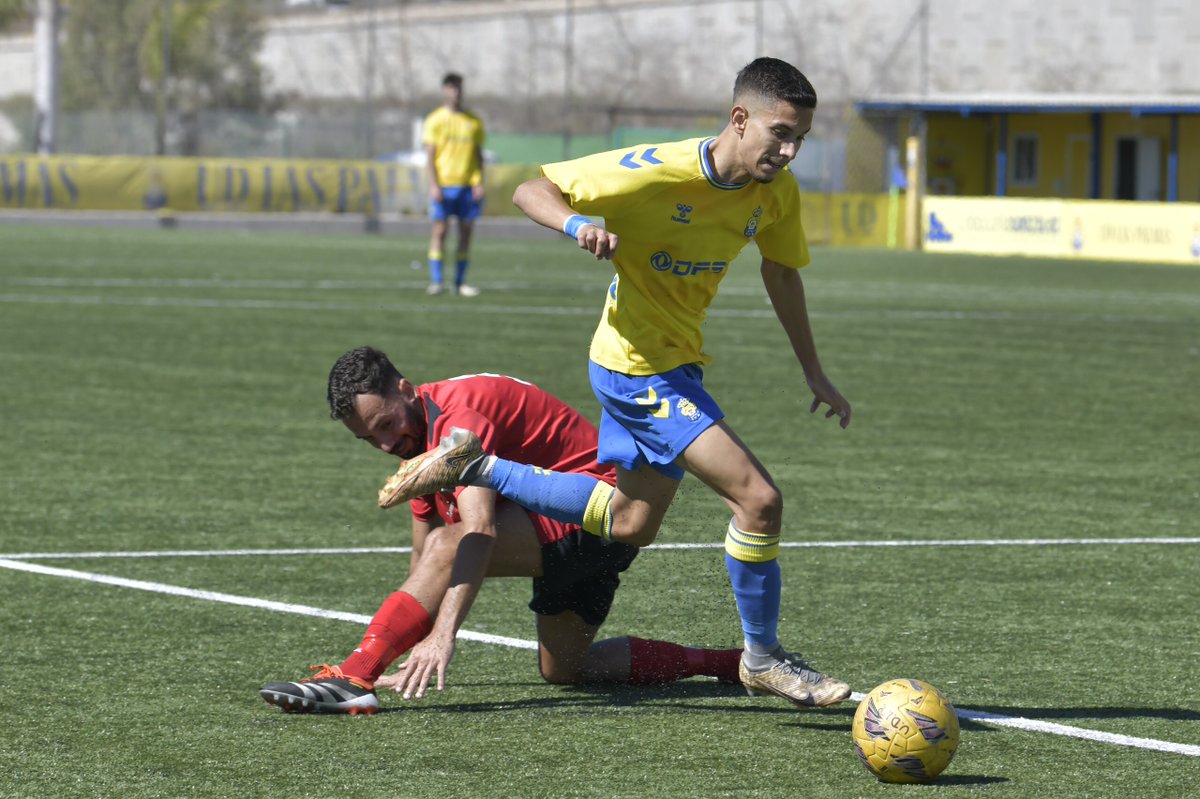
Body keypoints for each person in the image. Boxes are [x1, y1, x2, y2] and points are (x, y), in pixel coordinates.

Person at [378, 58, 853, 709]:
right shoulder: (658, 169)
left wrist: (814, 370)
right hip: (633, 366)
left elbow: (783, 272)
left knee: (629, 522)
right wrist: (578, 225)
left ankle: (479, 466)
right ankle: (764, 658)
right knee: (758, 500)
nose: (789, 149)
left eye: (799, 137)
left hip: (675, 362)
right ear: (739, 119)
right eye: (779, 132)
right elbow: (529, 191)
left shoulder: (776, 192)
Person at [259, 346, 741, 715]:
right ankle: (731, 665)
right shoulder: (416, 437)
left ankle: (352, 679)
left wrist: (441, 636)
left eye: (385, 423)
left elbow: (479, 531)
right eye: (369, 438)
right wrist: (399, 649)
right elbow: (425, 556)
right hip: (564, 534)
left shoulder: (456, 423)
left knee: (458, 536)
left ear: (406, 389)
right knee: (567, 670)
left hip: (597, 511)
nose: (385, 443)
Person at [421, 72, 486, 297]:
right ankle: (437, 282)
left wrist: (479, 182)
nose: (456, 92)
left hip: (468, 186)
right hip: (444, 185)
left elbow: (479, 156)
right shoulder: (435, 120)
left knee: (466, 233)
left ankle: (459, 283)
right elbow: (430, 156)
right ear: (444, 90)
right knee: (440, 231)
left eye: (459, 87)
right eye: (451, 87)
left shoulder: (473, 121)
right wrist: (434, 185)